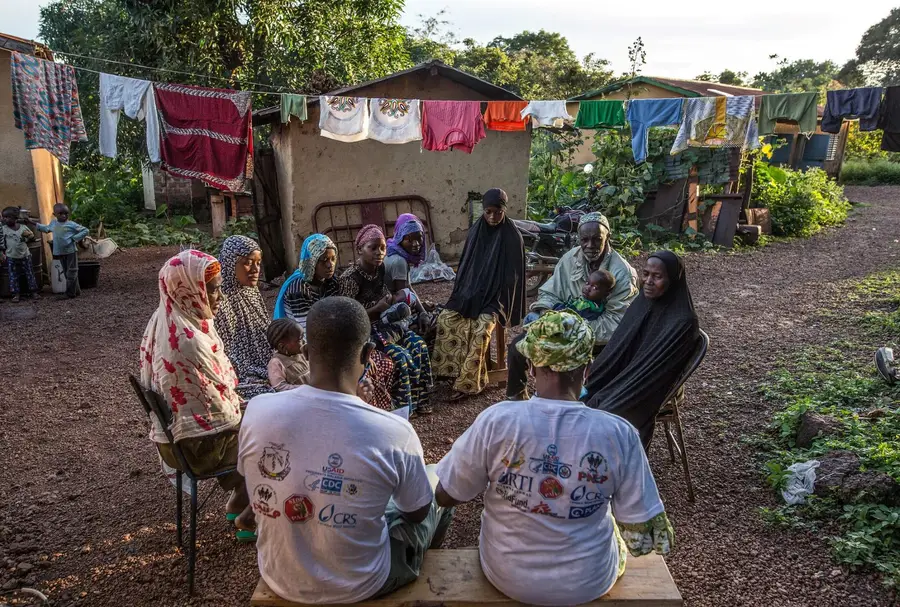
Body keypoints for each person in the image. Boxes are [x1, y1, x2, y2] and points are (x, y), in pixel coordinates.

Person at [435, 311, 673, 606]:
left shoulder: (497, 421)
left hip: (507, 575)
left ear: (532, 368)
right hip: (589, 580)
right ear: (587, 369)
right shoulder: (618, 433)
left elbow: (446, 496)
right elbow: (640, 535)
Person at [237, 297, 453, 603]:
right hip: (363, 582)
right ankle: (424, 574)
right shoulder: (393, 430)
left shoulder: (257, 410)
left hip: (280, 576)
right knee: (438, 480)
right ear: (368, 354)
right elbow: (416, 513)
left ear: (307, 352)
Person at [139, 249, 252, 538]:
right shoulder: (187, 341)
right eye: (212, 290)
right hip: (199, 448)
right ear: (188, 289)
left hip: (174, 441)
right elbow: (222, 416)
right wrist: (253, 412)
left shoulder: (167, 317)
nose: (219, 297)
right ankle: (249, 517)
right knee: (274, 437)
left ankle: (238, 500)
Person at [507, 211, 638, 400]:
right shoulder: (570, 258)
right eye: (584, 239)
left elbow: (617, 323)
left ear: (607, 237)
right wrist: (544, 313)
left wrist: (573, 328)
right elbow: (549, 293)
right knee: (517, 347)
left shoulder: (622, 272)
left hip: (598, 341)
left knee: (598, 375)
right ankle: (516, 400)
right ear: (578, 238)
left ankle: (584, 410)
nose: (590, 245)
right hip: (561, 328)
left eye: (596, 239)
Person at [583, 251, 700, 451]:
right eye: (645, 274)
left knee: (601, 416)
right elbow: (619, 349)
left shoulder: (682, 322)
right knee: (575, 396)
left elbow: (653, 373)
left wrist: (609, 396)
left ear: (673, 279)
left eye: (657, 276)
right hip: (625, 375)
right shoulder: (643, 302)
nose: (648, 281)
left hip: (645, 387)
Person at [274, 233, 395, 411]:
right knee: (357, 372)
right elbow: (308, 333)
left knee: (383, 363)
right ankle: (355, 412)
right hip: (304, 348)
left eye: (332, 259)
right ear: (311, 261)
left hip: (331, 343)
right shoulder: (298, 289)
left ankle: (376, 412)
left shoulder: (331, 283)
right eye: (323, 260)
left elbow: (340, 319)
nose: (330, 265)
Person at [432, 188, 525, 400]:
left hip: (496, 298)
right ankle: (451, 373)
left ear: (504, 211)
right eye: (488, 212)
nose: (492, 217)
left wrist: (493, 298)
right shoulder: (477, 231)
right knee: (447, 318)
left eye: (497, 212)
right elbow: (466, 269)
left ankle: (467, 384)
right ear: (483, 211)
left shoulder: (512, 237)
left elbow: (512, 279)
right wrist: (465, 294)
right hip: (471, 293)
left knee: (482, 328)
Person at [341, 225, 433, 415]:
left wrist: (391, 301)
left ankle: (420, 401)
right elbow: (349, 317)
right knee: (401, 357)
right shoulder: (350, 278)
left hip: (387, 327)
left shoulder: (380, 269)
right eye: (372, 248)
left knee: (419, 346)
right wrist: (377, 308)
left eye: (382, 248)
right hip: (367, 334)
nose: (379, 253)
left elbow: (385, 294)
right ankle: (402, 409)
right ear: (360, 249)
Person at [215, 236, 274, 400]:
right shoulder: (220, 300)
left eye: (258, 262)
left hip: (267, 363)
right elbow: (229, 353)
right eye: (248, 262)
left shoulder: (251, 292)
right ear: (230, 263)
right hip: (241, 373)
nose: (256, 269)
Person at [384, 213, 433, 333]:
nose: (416, 244)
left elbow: (408, 287)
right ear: (400, 238)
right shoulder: (399, 261)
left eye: (419, 238)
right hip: (389, 310)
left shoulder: (392, 252)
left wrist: (421, 307)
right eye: (409, 239)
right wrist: (423, 313)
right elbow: (403, 295)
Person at [29, 203, 89, 298]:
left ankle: (70, 293)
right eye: (60, 213)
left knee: (71, 271)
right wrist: (33, 223)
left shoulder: (71, 224)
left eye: (66, 213)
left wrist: (74, 238)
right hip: (60, 252)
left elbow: (85, 230)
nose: (64, 215)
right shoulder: (53, 223)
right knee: (66, 272)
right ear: (54, 214)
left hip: (70, 252)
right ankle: (76, 291)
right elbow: (46, 229)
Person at [1, 206, 39, 302]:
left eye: (7, 217)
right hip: (11, 256)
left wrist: (29, 236)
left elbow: (32, 238)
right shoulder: (3, 229)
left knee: (29, 273)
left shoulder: (23, 227)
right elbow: (2, 241)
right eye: (3, 217)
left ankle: (34, 292)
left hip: (25, 255)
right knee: (13, 276)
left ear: (15, 218)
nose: (4, 219)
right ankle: (15, 294)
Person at [550, 268, 616, 322]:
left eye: (595, 288)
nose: (587, 288)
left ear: (605, 294)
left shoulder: (592, 309)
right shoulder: (585, 300)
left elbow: (576, 320)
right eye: (587, 283)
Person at [266, 318, 310, 392]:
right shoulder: (276, 363)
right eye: (299, 340)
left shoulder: (302, 353)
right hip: (299, 398)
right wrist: (303, 389)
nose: (304, 341)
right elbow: (279, 387)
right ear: (282, 347)